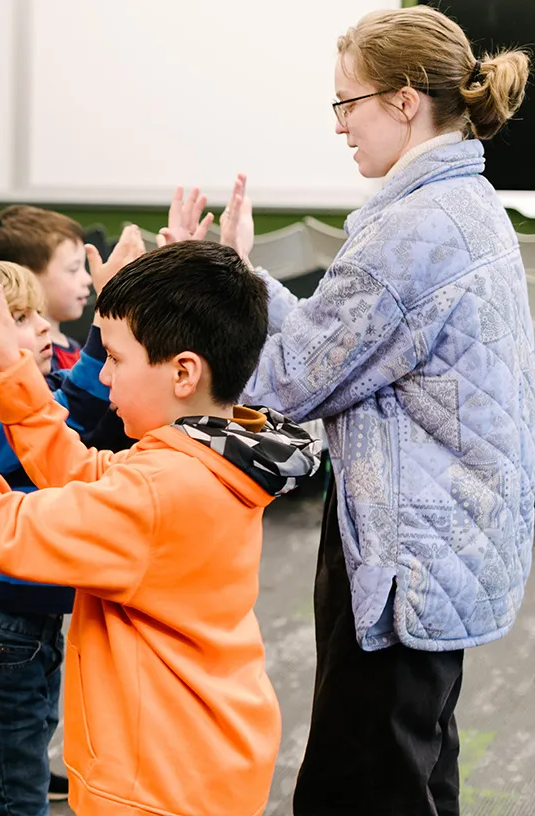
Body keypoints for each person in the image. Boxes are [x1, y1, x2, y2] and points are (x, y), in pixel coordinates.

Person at [195, 8, 533, 814]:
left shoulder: (410, 231)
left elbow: (286, 380)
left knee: (364, 785)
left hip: (401, 549)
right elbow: (339, 338)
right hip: (446, 534)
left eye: (348, 103)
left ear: (406, 99)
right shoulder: (465, 200)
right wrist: (245, 276)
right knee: (416, 770)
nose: (341, 125)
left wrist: (219, 286)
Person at [0, 243, 323, 815]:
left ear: (183, 372)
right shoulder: (204, 457)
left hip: (153, 784)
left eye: (114, 358)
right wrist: (15, 379)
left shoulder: (160, 490)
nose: (103, 373)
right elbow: (86, 473)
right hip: (201, 759)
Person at [0, 238, 138, 816]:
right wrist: (104, 325)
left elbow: (68, 415)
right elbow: (76, 415)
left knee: (12, 785)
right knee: (12, 803)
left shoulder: (12, 399)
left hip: (26, 633)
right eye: (20, 318)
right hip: (0, 638)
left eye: (39, 313)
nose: (44, 328)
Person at [0, 205, 96, 369]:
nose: (87, 279)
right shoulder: (37, 358)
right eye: (73, 269)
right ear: (27, 277)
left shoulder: (72, 346)